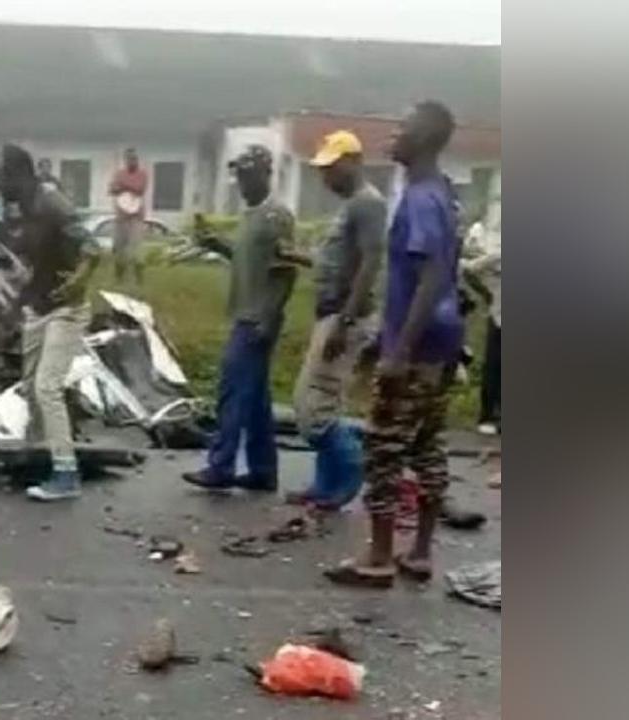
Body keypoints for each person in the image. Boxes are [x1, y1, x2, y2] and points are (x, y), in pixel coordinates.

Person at [325, 101, 464, 588]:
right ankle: (420, 552)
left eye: (402, 130)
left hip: (418, 345)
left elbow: (428, 278)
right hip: (443, 342)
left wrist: (398, 350)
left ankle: (379, 555)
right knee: (428, 445)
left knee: (383, 449)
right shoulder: (443, 194)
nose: (392, 137)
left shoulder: (422, 199)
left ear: (423, 140)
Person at [182, 145, 299, 493]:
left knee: (232, 392)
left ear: (266, 173)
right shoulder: (251, 214)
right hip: (246, 311)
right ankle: (263, 470)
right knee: (256, 399)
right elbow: (250, 259)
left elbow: (286, 271)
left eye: (249, 175)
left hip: (257, 316)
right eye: (240, 176)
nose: (243, 183)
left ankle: (221, 465)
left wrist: (268, 315)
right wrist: (218, 245)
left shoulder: (276, 216)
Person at [287, 131, 387, 510]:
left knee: (313, 406)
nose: (325, 177)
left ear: (354, 162)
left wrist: (344, 322)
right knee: (318, 401)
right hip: (332, 312)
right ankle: (324, 484)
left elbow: (370, 262)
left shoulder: (367, 205)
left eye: (332, 168)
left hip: (347, 316)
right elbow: (339, 260)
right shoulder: (353, 206)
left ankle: (347, 473)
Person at [0, 143, 100, 501]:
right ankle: (41, 456)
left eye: (2, 175)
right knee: (29, 386)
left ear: (21, 176)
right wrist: (13, 309)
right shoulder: (20, 210)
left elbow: (92, 248)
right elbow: (33, 267)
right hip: (38, 308)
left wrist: (81, 278)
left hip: (66, 308)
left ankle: (66, 473)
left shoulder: (53, 204)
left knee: (47, 386)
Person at [463, 218, 501, 435]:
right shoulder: (497, 254)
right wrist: (486, 293)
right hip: (500, 315)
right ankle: (488, 415)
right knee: (495, 366)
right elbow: (470, 270)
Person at [107, 147, 148, 287]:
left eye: (134, 158)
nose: (132, 161)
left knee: (136, 251)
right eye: (129, 158)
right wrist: (119, 187)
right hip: (121, 217)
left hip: (136, 217)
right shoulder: (119, 174)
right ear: (125, 160)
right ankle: (119, 279)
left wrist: (123, 186)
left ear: (137, 160)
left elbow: (140, 189)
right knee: (119, 248)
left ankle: (139, 280)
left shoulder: (142, 174)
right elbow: (112, 190)